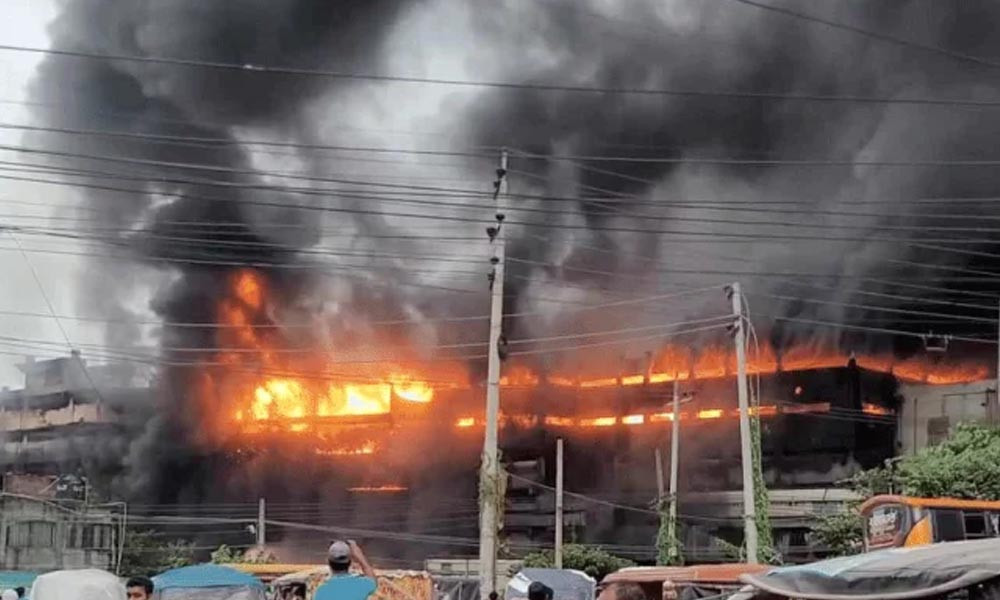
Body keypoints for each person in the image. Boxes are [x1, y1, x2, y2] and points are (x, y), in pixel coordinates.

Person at [314, 539, 378, 600]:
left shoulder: (322, 593)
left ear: (328, 562)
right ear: (350, 563)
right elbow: (373, 580)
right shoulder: (360, 585)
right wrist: (359, 555)